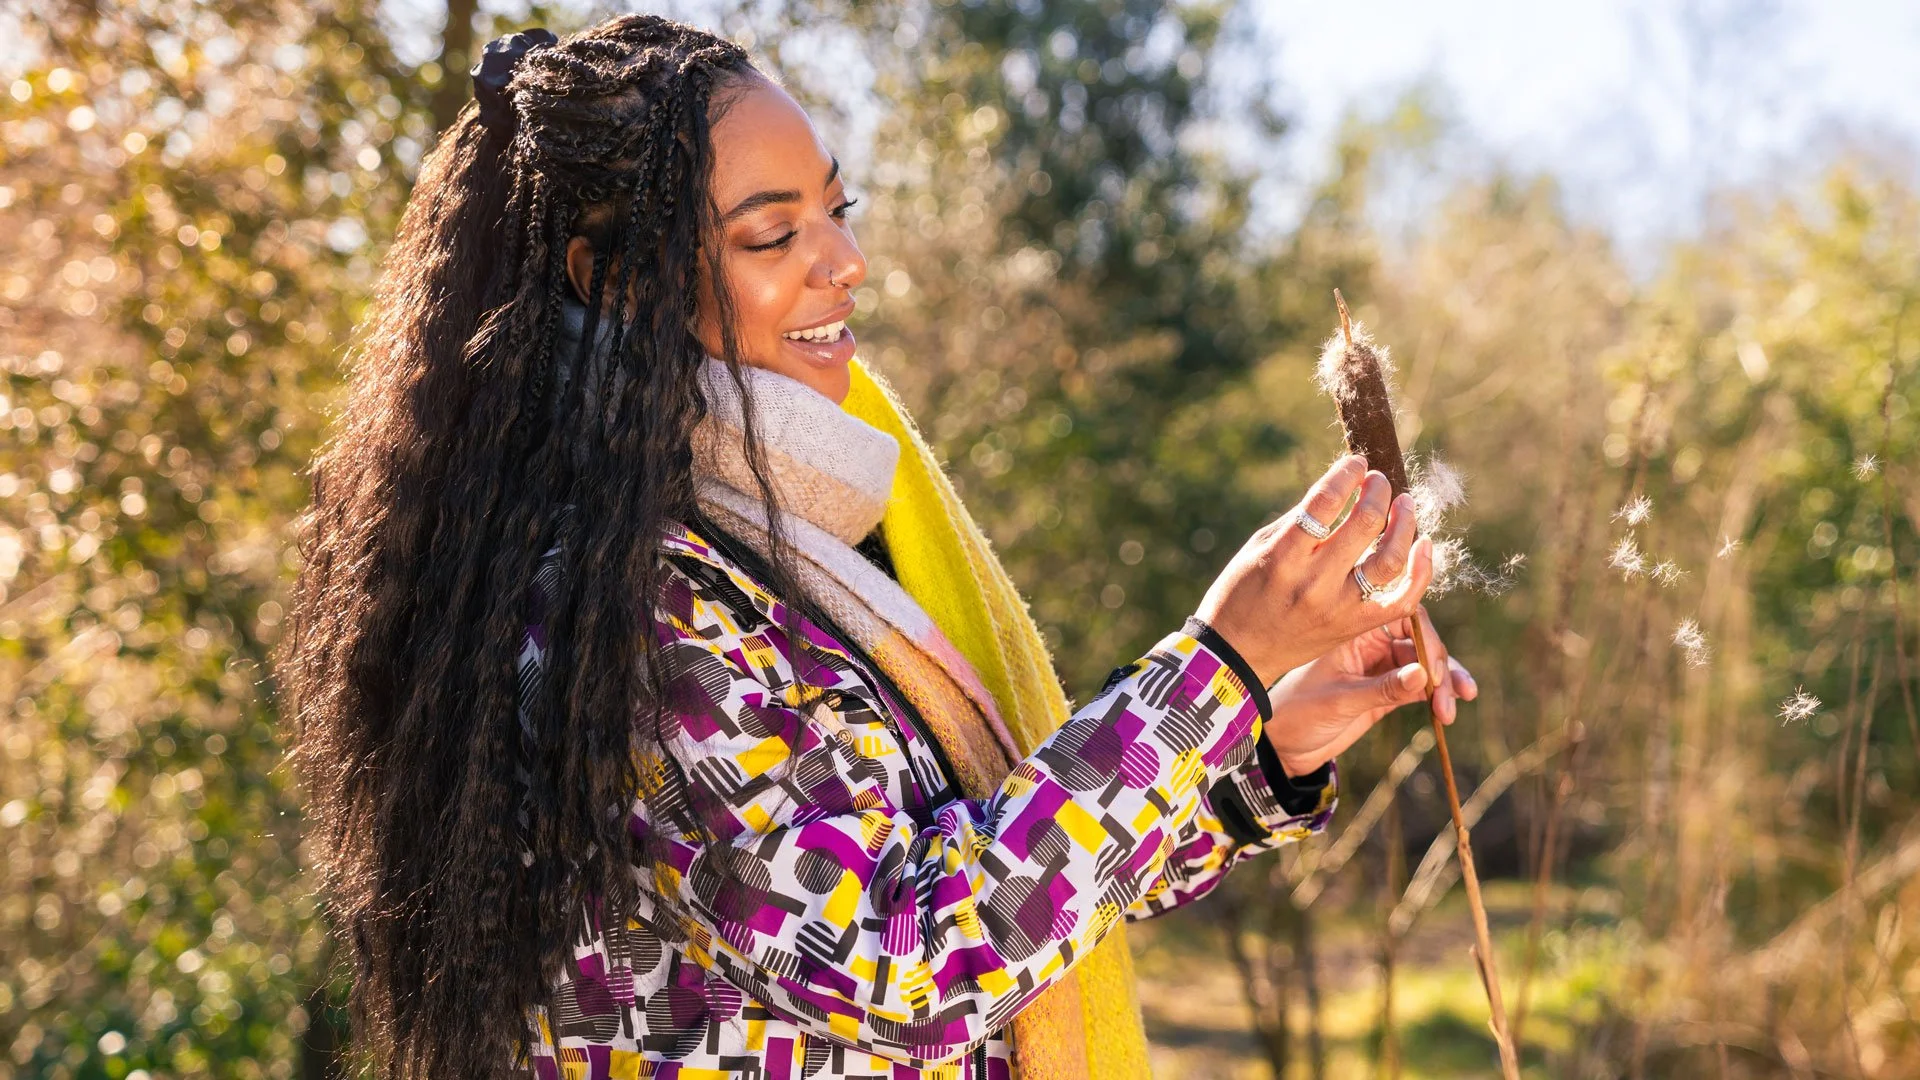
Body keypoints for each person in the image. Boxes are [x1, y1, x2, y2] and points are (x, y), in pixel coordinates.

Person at [281, 15, 1477, 1080]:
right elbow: (911, 965)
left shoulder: (784, 552)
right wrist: (1216, 669)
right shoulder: (629, 612)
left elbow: (1010, 892)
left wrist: (1262, 737)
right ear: (616, 281)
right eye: (772, 234)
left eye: (836, 212)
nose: (844, 262)